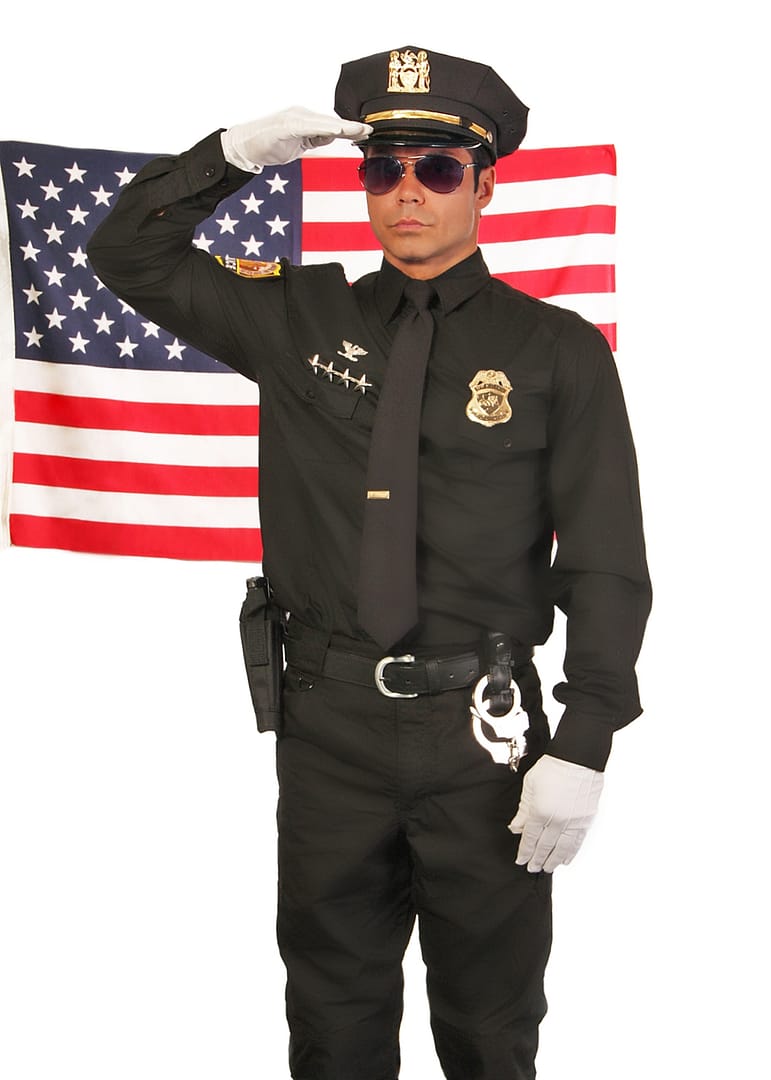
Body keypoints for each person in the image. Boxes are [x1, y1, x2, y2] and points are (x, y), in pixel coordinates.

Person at [88, 44, 651, 1080]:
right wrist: (232, 154)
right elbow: (126, 252)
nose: (407, 192)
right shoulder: (296, 318)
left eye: (437, 169)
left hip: (485, 730)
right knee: (332, 1019)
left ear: (484, 185)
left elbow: (607, 559)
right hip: (329, 725)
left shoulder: (556, 349)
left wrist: (586, 740)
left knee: (490, 1026)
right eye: (383, 168)